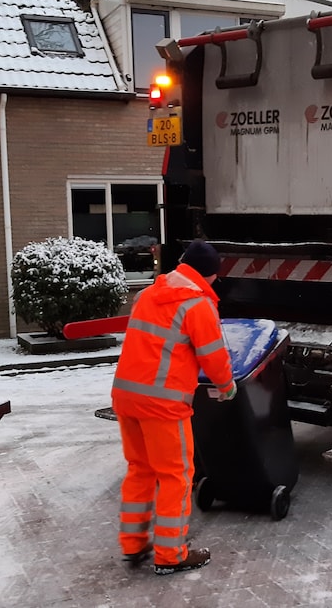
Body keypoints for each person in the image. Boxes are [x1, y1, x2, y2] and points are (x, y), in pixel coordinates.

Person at [111, 239, 238, 575]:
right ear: (208, 276)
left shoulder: (149, 294)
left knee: (140, 469)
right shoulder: (197, 305)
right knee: (176, 477)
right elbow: (213, 357)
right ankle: (171, 554)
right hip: (163, 404)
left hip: (126, 397)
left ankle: (133, 544)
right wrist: (227, 387)